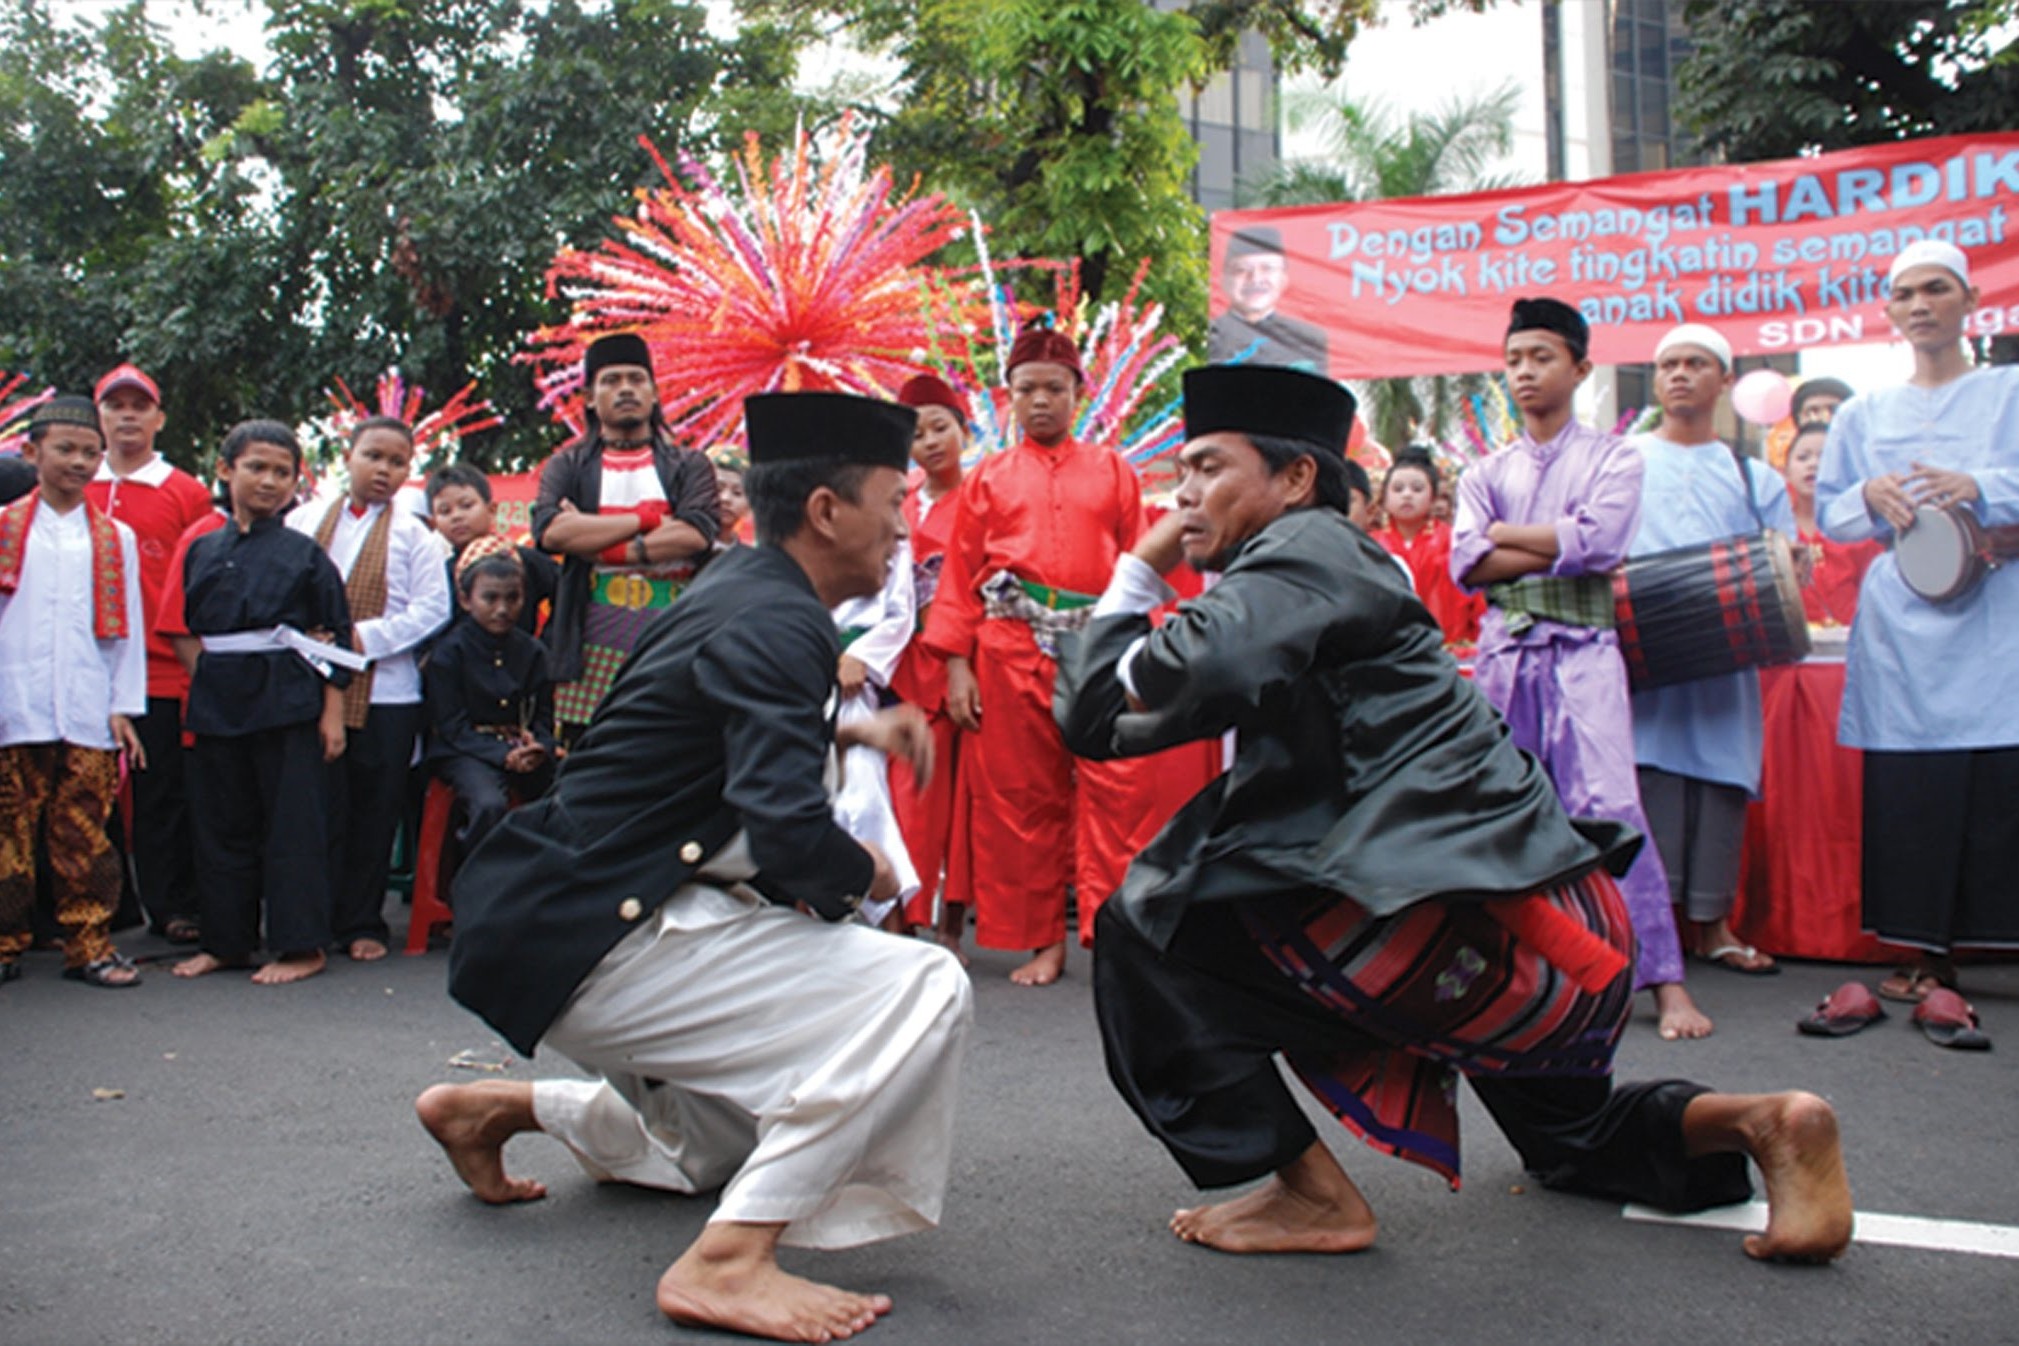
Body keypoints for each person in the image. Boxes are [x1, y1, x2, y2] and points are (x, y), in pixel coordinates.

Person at [1057, 362, 1853, 1266]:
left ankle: (1310, 1196)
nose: (1182, 495)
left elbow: (1194, 666)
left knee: (1143, 932)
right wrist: (1138, 573)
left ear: (1296, 477)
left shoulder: (1310, 549)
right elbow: (1099, 721)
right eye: (1180, 474)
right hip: (1540, 928)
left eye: (1207, 468)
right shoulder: (1291, 589)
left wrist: (1143, 575)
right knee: (1570, 1138)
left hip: (1439, 915)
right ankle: (1765, 1122)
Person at [420, 391, 971, 1344]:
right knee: (922, 986)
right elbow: (785, 830)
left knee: (719, 1147)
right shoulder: (777, 622)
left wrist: (844, 732)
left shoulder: (741, 590)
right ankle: (728, 1262)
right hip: (600, 934)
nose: (901, 527)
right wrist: (872, 875)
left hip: (558, 927)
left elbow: (694, 743)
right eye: (892, 501)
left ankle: (499, 1111)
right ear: (827, 510)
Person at [1452, 297, 1711, 1042]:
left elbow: (1601, 544)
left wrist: (1507, 536)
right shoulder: (1484, 470)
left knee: (1611, 804)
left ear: (1579, 368)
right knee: (1497, 804)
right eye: (1513, 360)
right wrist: (1550, 540)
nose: (1524, 373)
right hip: (1504, 651)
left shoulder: (1615, 457)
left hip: (1585, 652)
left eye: (1541, 357)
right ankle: (1508, 976)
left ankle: (1662, 982)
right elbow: (1466, 560)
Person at [1816, 239, 2019, 1029]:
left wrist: (1982, 486)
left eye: (1935, 289)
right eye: (1903, 294)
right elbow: (1831, 511)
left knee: (2000, 779)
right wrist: (1868, 494)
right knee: (1913, 789)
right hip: (1902, 621)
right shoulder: (1863, 413)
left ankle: (1998, 945)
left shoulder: (2008, 391)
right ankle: (1920, 952)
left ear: (1970, 302)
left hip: (1997, 612)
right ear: (1888, 312)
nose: (1919, 305)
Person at [921, 328, 1160, 985]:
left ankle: (1113, 932)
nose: (1040, 401)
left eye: (1054, 388)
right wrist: (957, 666)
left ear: (1078, 394)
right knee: (1019, 799)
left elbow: (1141, 562)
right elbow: (959, 576)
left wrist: (1146, 654)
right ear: (1009, 397)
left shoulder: (1114, 470)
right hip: (1007, 648)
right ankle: (1041, 942)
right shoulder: (988, 479)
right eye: (1026, 389)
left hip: (1098, 648)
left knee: (1115, 790)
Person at [1626, 324, 1796, 977]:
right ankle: (1653, 933)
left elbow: (1780, 561)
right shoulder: (1624, 461)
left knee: (1720, 782)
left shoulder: (1753, 476)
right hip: (1649, 656)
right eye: (1668, 364)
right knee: (1653, 779)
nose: (1679, 374)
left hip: (1725, 658)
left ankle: (1714, 927)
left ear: (1724, 380)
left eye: (1695, 364)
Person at [168, 422, 352, 986]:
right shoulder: (201, 549)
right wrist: (211, 681)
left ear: (296, 482)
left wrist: (332, 714)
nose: (269, 481)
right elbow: (188, 630)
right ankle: (226, 942)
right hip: (218, 697)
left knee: (293, 825)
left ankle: (301, 946)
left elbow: (337, 635)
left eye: (282, 472)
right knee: (221, 824)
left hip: (288, 699)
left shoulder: (306, 554)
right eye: (256, 468)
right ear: (226, 470)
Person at [291, 417, 451, 962]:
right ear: (348, 456)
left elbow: (432, 609)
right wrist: (317, 642)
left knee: (375, 810)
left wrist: (358, 638)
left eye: (397, 462)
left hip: (387, 691)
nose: (383, 470)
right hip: (310, 682)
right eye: (373, 456)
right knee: (316, 808)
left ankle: (362, 920)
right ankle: (310, 918)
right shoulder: (304, 520)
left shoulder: (416, 534)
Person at [0, 396, 147, 988]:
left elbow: (129, 626)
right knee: (8, 830)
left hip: (87, 702)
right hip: (14, 700)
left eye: (91, 453)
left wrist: (123, 706)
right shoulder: (4, 527)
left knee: (84, 830)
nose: (80, 462)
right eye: (66, 450)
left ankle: (89, 945)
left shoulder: (115, 537)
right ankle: (5, 942)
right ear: (33, 452)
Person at [530, 333, 720, 739]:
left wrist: (599, 544)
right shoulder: (567, 465)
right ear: (589, 398)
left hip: (674, 628)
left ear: (654, 392)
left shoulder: (690, 464)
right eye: (611, 381)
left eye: (636, 379)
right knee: (591, 749)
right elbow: (551, 532)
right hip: (592, 629)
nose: (626, 389)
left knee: (671, 747)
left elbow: (696, 533)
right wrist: (646, 519)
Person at [84, 364, 215, 944]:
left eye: (139, 406)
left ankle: (171, 907)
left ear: (159, 419)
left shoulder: (185, 491)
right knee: (85, 793)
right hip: (84, 664)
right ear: (100, 417)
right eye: (116, 406)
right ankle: (103, 907)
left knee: (160, 791)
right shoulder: (74, 483)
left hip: (159, 669)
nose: (128, 416)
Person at [889, 373, 971, 956]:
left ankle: (952, 923)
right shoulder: (901, 499)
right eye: (917, 435)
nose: (930, 443)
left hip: (970, 660)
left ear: (963, 429)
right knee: (909, 790)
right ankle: (906, 915)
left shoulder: (986, 494)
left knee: (964, 800)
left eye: (940, 428)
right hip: (905, 660)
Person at [422, 539, 557, 855]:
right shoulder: (449, 653)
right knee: (489, 804)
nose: (502, 609)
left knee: (569, 793)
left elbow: (542, 716)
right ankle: (479, 878)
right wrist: (502, 754)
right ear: (465, 600)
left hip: (521, 748)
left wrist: (540, 746)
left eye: (513, 598)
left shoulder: (533, 652)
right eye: (490, 598)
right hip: (463, 751)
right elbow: (451, 728)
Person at [425, 462, 558, 637]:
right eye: (445, 511)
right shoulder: (439, 575)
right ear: (434, 523)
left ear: (491, 510)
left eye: (466, 505)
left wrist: (550, 642)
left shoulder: (525, 560)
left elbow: (567, 589)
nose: (456, 516)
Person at [1371, 450, 1484, 644]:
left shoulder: (1453, 541)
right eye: (1398, 489)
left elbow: (1476, 596)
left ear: (1433, 498)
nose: (1407, 495)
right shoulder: (1371, 544)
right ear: (1384, 498)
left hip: (1450, 646)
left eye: (1417, 489)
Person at [1780, 422, 1880, 627]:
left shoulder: (1859, 530)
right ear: (1785, 470)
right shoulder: (1774, 528)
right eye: (1803, 457)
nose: (1813, 464)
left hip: (1849, 639)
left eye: (1824, 457)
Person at [1205, 227, 1330, 373]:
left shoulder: (1308, 339)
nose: (1255, 279)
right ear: (1224, 281)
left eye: (1267, 269)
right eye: (1241, 270)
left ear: (1283, 279)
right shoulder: (1207, 336)